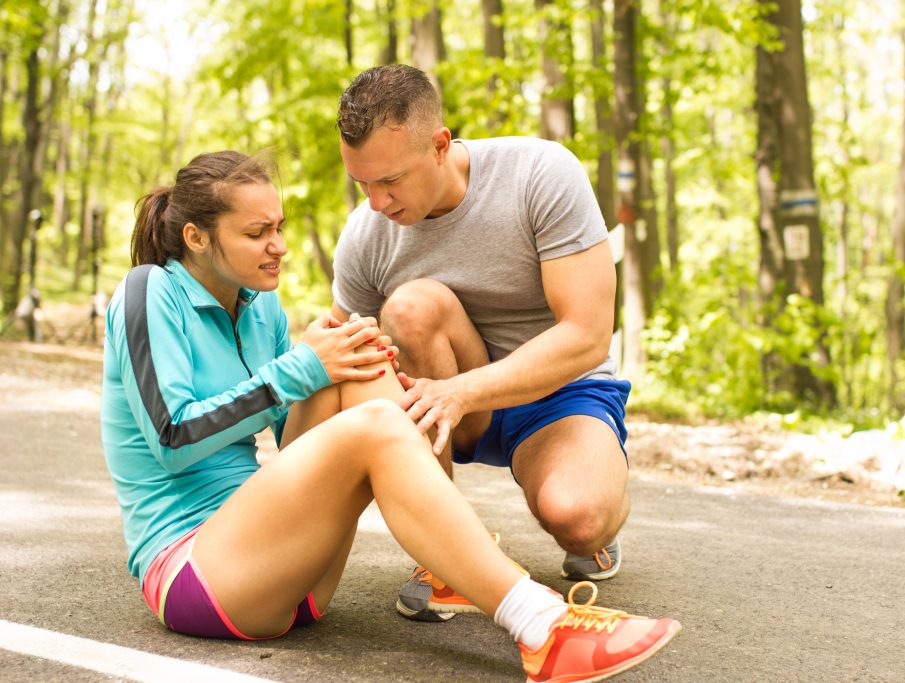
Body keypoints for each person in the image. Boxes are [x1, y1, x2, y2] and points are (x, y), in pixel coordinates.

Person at [100, 150, 679, 681]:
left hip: (289, 573)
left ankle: (456, 563)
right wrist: (300, 371)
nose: (278, 245)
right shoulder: (147, 292)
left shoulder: (260, 305)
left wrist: (332, 365)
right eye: (256, 233)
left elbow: (294, 443)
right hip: (197, 575)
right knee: (369, 419)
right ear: (197, 237)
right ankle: (542, 625)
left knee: (359, 355)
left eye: (278, 228)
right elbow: (173, 438)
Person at [333, 65, 632, 622]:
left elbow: (588, 335)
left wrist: (461, 391)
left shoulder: (540, 173)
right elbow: (343, 355)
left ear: (441, 145)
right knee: (410, 307)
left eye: (390, 180)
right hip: (445, 396)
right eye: (363, 184)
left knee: (579, 517)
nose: (377, 202)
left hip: (556, 391)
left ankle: (600, 490)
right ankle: (445, 555)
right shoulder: (366, 233)